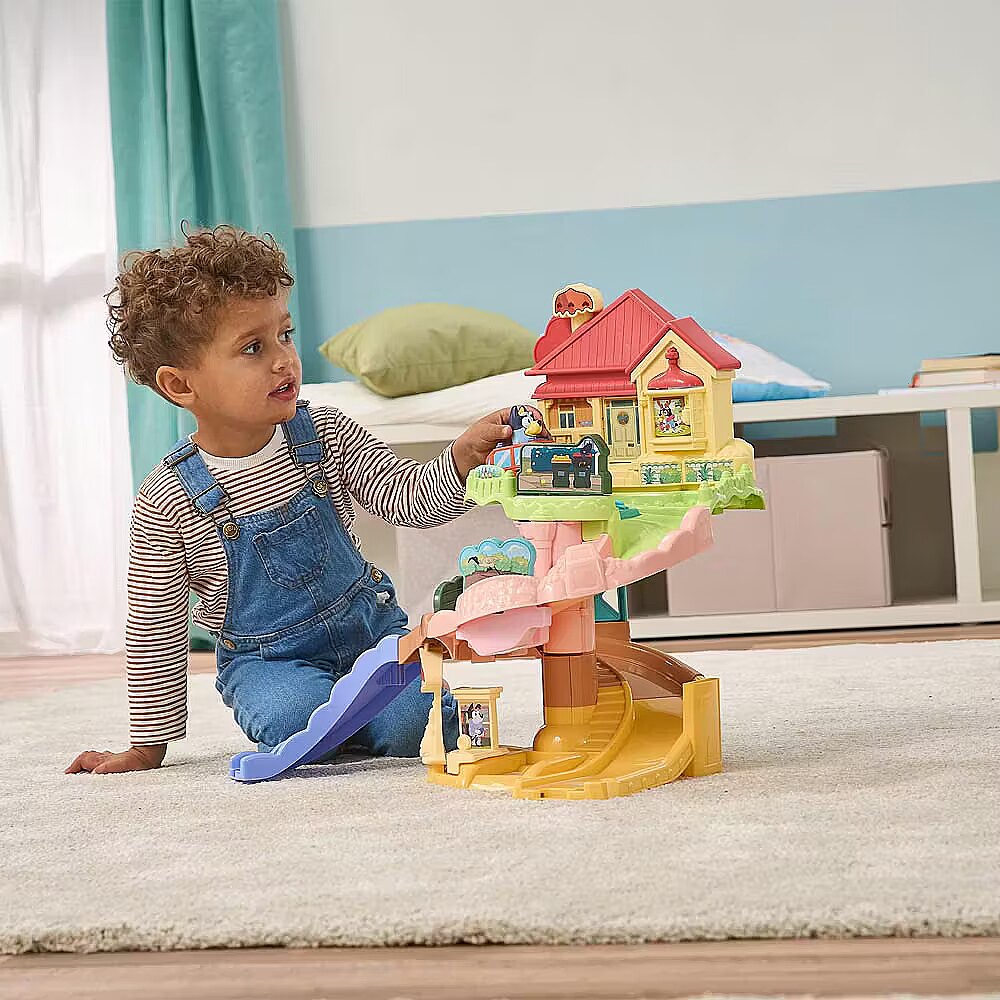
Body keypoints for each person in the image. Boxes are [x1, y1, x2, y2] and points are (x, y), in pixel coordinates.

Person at [65, 223, 511, 775]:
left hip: (373, 637)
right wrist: (146, 747)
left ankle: (362, 724)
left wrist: (460, 460)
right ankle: (339, 724)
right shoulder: (169, 498)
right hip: (269, 661)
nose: (284, 360)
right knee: (293, 718)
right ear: (180, 385)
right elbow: (156, 628)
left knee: (419, 724)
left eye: (285, 335)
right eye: (253, 348)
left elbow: (403, 497)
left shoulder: (325, 432)